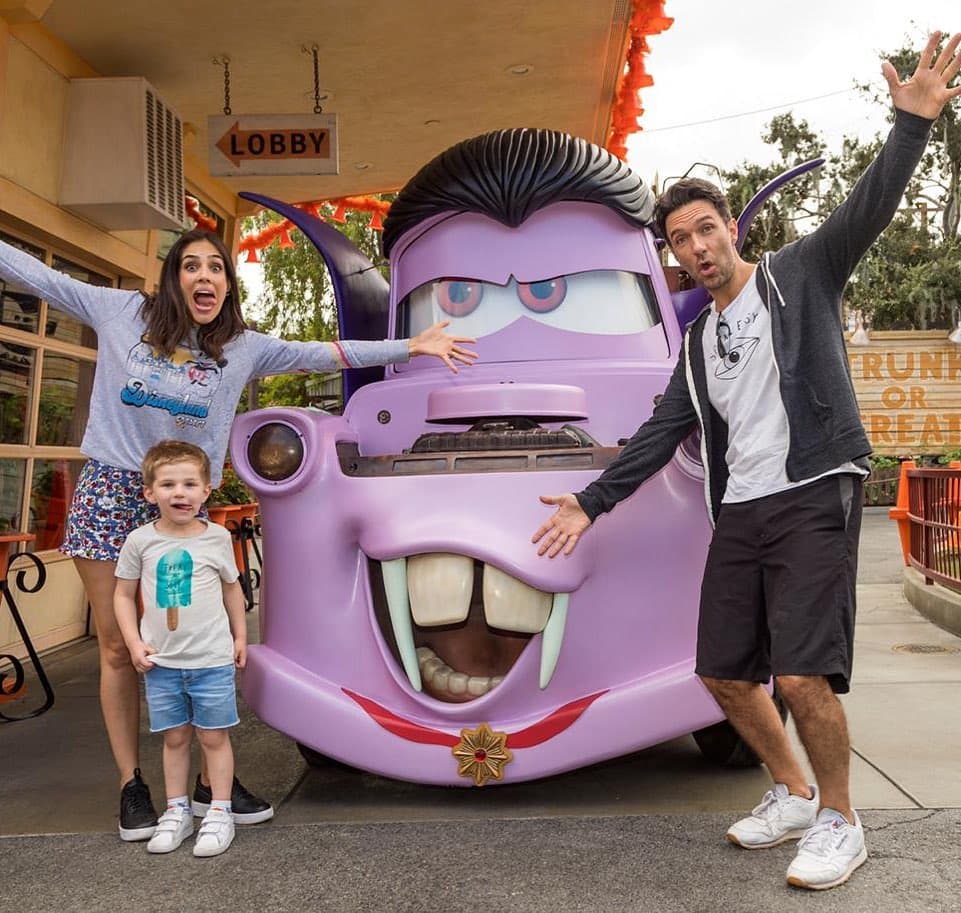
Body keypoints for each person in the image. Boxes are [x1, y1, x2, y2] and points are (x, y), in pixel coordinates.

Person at [532, 31, 961, 892]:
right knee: (724, 673)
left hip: (812, 491)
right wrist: (590, 500)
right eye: (680, 240)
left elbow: (865, 207)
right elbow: (662, 429)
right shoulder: (695, 340)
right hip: (744, 508)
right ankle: (793, 792)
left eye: (704, 228)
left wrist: (909, 123)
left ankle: (842, 819)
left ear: (731, 228)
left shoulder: (799, 275)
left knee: (800, 671)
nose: (695, 246)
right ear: (672, 255)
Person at [0, 227, 476, 841]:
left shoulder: (241, 348)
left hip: (183, 503)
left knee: (194, 643)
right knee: (120, 647)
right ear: (173, 277)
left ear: (227, 284)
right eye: (192, 266)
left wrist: (411, 344)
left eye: (217, 269)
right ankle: (131, 784)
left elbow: (324, 353)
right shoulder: (121, 312)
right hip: (111, 492)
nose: (205, 277)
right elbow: (41, 278)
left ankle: (207, 785)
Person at [114, 441, 246, 856]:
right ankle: (177, 811)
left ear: (207, 491)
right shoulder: (140, 541)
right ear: (150, 493)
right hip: (163, 663)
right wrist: (135, 643)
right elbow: (122, 595)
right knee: (173, 738)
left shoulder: (217, 538)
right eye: (168, 484)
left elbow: (231, 590)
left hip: (210, 660)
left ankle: (220, 811)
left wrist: (241, 637)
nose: (180, 493)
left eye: (190, 484)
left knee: (213, 737)